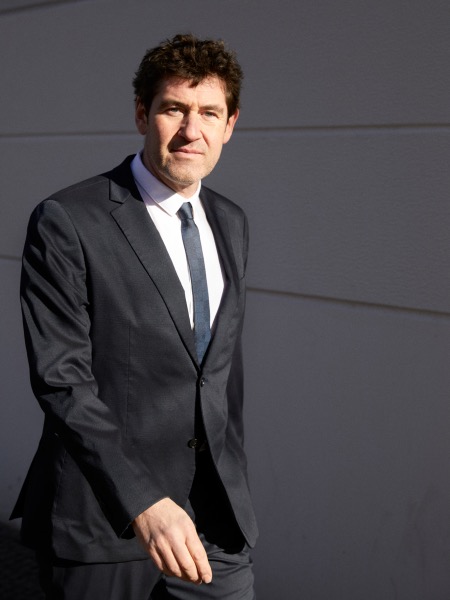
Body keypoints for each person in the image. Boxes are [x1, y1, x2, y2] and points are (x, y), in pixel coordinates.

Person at [11, 33, 258, 599]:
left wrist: (236, 489)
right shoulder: (68, 220)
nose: (192, 130)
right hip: (107, 524)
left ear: (230, 124)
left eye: (209, 113)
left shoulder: (231, 222)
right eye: (174, 109)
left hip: (215, 527)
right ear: (143, 114)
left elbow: (220, 375)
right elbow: (62, 381)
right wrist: (142, 500)